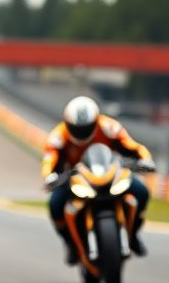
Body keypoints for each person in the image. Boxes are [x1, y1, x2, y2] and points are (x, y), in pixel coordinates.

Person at [42, 96, 155, 262]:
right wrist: (49, 176)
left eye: (87, 128)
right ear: (68, 124)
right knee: (55, 204)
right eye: (77, 129)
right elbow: (49, 159)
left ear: (96, 121)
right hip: (75, 178)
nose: (82, 133)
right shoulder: (59, 136)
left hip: (109, 173)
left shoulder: (109, 127)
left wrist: (145, 159)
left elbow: (132, 145)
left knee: (142, 192)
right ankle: (70, 244)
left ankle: (133, 236)